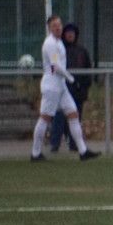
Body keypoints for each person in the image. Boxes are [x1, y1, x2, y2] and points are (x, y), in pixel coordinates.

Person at [30, 15, 99, 162]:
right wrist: (71, 79)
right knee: (45, 118)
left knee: (73, 114)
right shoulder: (50, 43)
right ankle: (35, 153)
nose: (58, 27)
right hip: (52, 86)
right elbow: (56, 66)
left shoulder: (59, 42)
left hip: (60, 86)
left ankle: (83, 151)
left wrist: (66, 80)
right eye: (54, 25)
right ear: (49, 28)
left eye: (59, 24)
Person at [49, 23, 93, 153]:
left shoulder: (82, 51)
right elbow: (55, 67)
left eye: (72, 32)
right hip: (63, 89)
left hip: (78, 92)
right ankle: (54, 144)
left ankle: (75, 144)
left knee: (75, 118)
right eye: (68, 32)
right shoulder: (59, 49)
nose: (70, 35)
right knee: (58, 118)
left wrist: (84, 86)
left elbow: (88, 70)